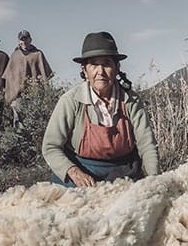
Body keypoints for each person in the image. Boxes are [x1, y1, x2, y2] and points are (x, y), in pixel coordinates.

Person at [42, 31, 159, 187]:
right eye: (94, 65)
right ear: (85, 70)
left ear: (117, 68)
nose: (100, 72)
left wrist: (154, 180)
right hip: (82, 171)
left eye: (106, 64)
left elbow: (147, 145)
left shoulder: (131, 100)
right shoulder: (70, 101)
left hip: (124, 172)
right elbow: (50, 147)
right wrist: (73, 171)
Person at [3, 29, 53, 126]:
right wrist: (10, 92)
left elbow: (45, 74)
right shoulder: (15, 55)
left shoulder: (37, 54)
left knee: (34, 118)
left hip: (34, 92)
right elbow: (9, 76)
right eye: (22, 40)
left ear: (30, 40)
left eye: (26, 39)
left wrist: (43, 88)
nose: (24, 42)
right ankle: (18, 135)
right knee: (18, 118)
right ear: (19, 41)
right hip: (18, 94)